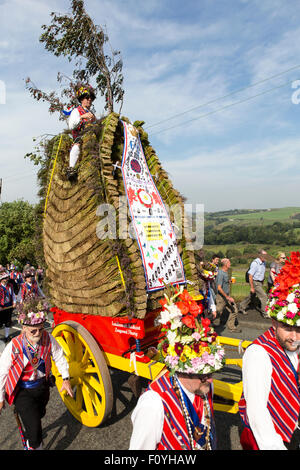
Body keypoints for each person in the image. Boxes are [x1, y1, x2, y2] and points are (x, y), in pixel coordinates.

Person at [129, 285, 226, 450]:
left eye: (211, 371)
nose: (210, 379)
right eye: (202, 374)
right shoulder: (153, 404)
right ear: (181, 369)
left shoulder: (205, 385)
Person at [239, 251, 300, 450]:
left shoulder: (295, 344)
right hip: (274, 438)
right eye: (288, 329)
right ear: (274, 321)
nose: (295, 337)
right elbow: (257, 412)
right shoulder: (258, 354)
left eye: (299, 330)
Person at [0, 297, 73, 450]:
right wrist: (0, 398)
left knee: (38, 416)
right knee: (34, 430)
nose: (38, 333)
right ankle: (33, 444)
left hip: (42, 387)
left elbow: (59, 357)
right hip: (22, 391)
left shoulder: (48, 338)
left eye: (41, 328)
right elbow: (2, 372)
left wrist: (66, 379)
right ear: (24, 328)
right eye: (33, 330)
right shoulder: (14, 345)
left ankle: (32, 433)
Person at [66, 84, 96, 181]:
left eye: (91, 98)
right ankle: (71, 168)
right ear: (82, 99)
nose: (89, 100)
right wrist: (82, 117)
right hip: (80, 137)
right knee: (77, 145)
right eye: (87, 98)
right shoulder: (76, 111)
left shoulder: (92, 113)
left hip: (92, 138)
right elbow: (71, 125)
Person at [239, 249, 268, 318]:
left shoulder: (264, 263)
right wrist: (252, 287)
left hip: (260, 282)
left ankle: (241, 306)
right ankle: (265, 313)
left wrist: (262, 281)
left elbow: (262, 273)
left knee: (251, 296)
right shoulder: (255, 263)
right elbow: (250, 275)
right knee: (264, 296)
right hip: (255, 282)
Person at [215, 258, 240, 332]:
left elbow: (223, 283)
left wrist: (228, 281)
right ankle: (207, 323)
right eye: (229, 263)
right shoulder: (220, 273)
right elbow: (219, 288)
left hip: (227, 296)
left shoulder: (226, 273)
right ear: (225, 264)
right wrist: (227, 297)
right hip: (221, 298)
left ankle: (231, 328)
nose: (230, 264)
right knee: (216, 312)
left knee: (234, 310)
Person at [0, 271, 16, 343]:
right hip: (1, 308)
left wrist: (14, 302)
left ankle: (6, 336)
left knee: (7, 323)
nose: (6, 279)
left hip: (9, 306)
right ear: (1, 279)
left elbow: (13, 294)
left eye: (7, 278)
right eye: (5, 278)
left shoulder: (10, 286)